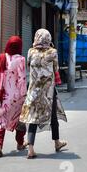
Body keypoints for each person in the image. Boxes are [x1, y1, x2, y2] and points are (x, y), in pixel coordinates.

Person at [20, 29, 68, 159]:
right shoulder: (52, 52)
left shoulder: (30, 52)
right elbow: (56, 68)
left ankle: (30, 149)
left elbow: (29, 66)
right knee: (52, 116)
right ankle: (57, 142)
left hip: (34, 90)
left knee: (33, 118)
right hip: (48, 91)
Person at [0, 36, 27, 158]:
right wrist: (24, 95)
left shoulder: (1, 57)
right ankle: (20, 143)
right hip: (16, 96)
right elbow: (22, 79)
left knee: (0, 120)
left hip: (2, 95)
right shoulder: (21, 59)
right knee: (20, 119)